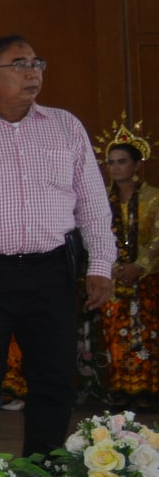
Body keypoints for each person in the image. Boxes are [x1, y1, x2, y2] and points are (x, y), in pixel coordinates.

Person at [0, 35, 114, 456]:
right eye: (19, 64)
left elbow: (92, 202)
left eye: (37, 62)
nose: (33, 72)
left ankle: (44, 469)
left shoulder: (66, 126)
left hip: (51, 270)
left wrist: (101, 264)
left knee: (53, 374)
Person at [96, 125, 159, 409]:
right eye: (111, 162)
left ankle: (148, 392)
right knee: (115, 337)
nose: (115, 168)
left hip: (147, 281)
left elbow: (157, 238)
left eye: (122, 161)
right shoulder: (100, 203)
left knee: (147, 334)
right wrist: (113, 266)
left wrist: (139, 265)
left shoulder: (153, 198)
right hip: (112, 279)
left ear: (136, 164)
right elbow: (94, 236)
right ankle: (120, 391)